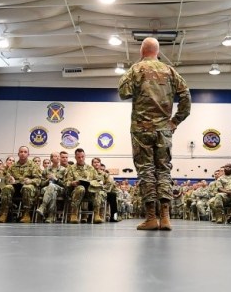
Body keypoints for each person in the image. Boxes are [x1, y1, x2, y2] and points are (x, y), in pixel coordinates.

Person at [118, 37, 191, 231]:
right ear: (157, 52)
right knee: (164, 170)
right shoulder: (170, 71)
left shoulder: (135, 70)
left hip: (141, 129)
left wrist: (136, 69)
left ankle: (151, 217)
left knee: (146, 170)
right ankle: (165, 217)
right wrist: (175, 121)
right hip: (163, 130)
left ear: (142, 51)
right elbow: (186, 97)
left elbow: (123, 92)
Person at [0, 146, 41, 223]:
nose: (23, 154)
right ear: (18, 154)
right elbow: (6, 178)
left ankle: (26, 213)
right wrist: (9, 179)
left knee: (27, 187)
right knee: (7, 187)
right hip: (15, 186)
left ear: (28, 154)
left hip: (28, 187)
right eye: (21, 152)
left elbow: (39, 180)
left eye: (25, 152)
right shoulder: (13, 166)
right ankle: (4, 213)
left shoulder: (33, 166)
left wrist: (30, 181)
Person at [63, 148, 102, 224]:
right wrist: (72, 183)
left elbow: (97, 180)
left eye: (82, 157)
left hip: (89, 191)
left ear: (85, 156)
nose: (81, 159)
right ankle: (74, 214)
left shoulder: (91, 168)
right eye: (78, 157)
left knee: (97, 190)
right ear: (75, 157)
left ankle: (96, 214)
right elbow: (65, 182)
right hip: (75, 191)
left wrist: (94, 183)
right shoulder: (70, 168)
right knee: (80, 188)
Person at [36, 151, 67, 223]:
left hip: (60, 189)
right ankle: (51, 216)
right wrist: (48, 180)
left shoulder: (64, 170)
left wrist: (56, 179)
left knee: (52, 187)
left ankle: (43, 207)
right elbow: (41, 184)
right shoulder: (46, 170)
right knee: (52, 191)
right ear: (51, 159)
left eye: (58, 156)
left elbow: (65, 184)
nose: (58, 157)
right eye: (55, 156)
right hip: (47, 189)